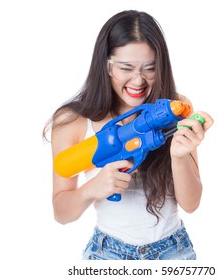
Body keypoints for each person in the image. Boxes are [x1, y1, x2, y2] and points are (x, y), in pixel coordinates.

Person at [44, 10, 213, 260]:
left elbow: (190, 204)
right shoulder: (73, 122)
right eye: (126, 68)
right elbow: (61, 213)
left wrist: (179, 155)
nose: (138, 80)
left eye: (150, 68)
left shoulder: (176, 108)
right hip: (107, 254)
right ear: (106, 65)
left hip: (174, 251)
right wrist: (92, 188)